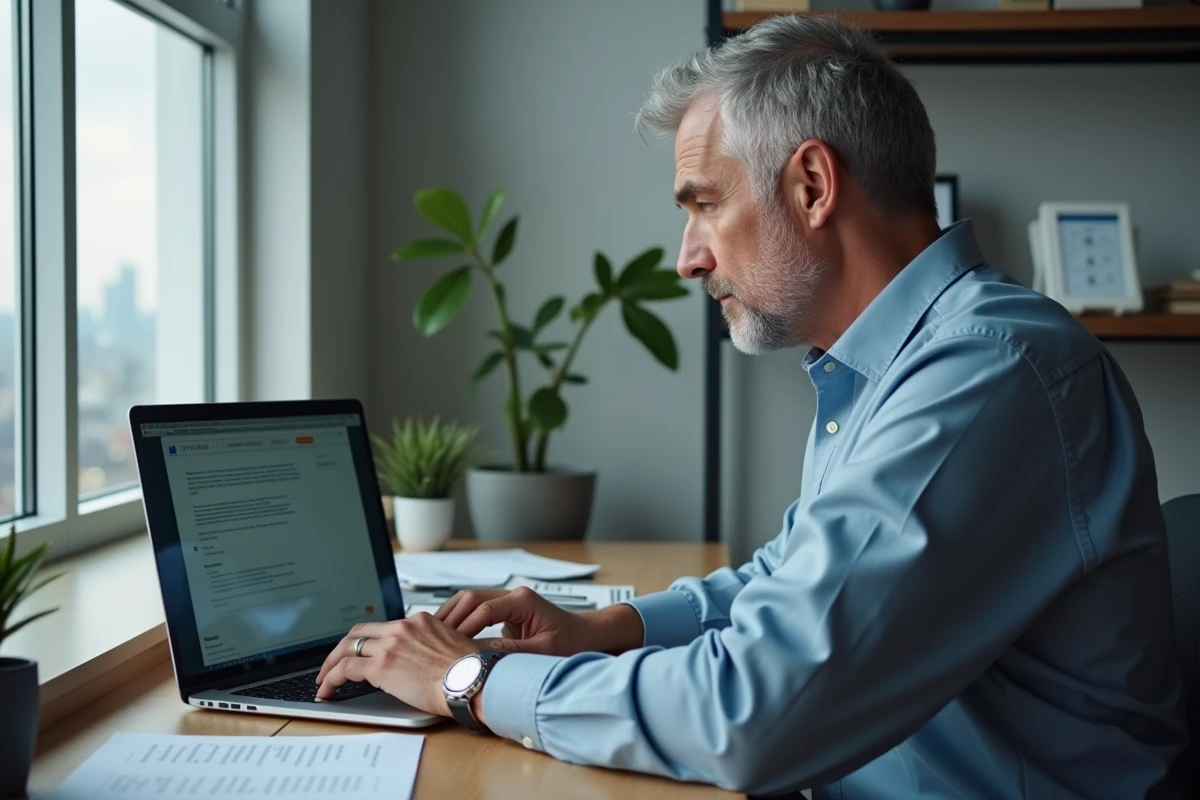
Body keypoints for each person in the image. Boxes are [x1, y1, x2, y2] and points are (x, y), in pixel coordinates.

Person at [317, 15, 1188, 798]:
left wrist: (467, 682)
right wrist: (607, 627)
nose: (688, 257)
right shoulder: (895, 363)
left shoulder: (986, 373)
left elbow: (753, 711)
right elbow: (795, 578)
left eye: (705, 204)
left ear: (812, 184)